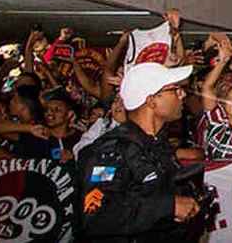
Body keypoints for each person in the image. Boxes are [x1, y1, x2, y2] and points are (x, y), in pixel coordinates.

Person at [77, 62, 201, 241]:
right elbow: (96, 213)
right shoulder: (112, 150)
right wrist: (169, 206)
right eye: (175, 90)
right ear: (151, 100)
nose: (182, 95)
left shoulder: (157, 146)